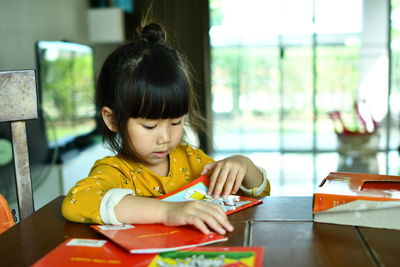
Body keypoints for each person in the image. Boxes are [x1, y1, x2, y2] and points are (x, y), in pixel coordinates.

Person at [61, 22, 270, 235]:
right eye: (150, 126)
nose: (165, 138)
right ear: (113, 120)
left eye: (176, 122)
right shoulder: (115, 172)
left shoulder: (191, 160)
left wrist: (244, 165)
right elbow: (76, 202)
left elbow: (259, 194)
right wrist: (168, 211)